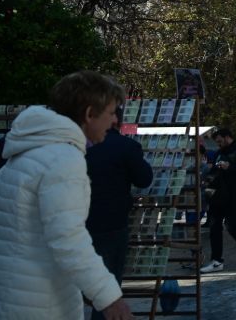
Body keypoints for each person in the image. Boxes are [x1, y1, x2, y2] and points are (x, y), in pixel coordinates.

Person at [0, 70, 134, 320]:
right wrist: (109, 297)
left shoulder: (28, 150)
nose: (115, 120)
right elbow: (68, 239)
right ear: (89, 114)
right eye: (111, 112)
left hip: (14, 295)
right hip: (43, 302)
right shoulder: (63, 159)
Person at [85, 107, 154, 320]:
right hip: (111, 225)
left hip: (79, 223)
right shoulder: (126, 147)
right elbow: (144, 179)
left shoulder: (75, 146)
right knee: (108, 287)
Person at [201, 128, 236, 273]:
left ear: (227, 137)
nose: (218, 144)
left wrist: (229, 167)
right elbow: (215, 172)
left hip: (234, 194)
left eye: (219, 141)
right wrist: (207, 180)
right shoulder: (220, 152)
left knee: (231, 225)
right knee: (214, 226)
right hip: (218, 195)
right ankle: (216, 260)